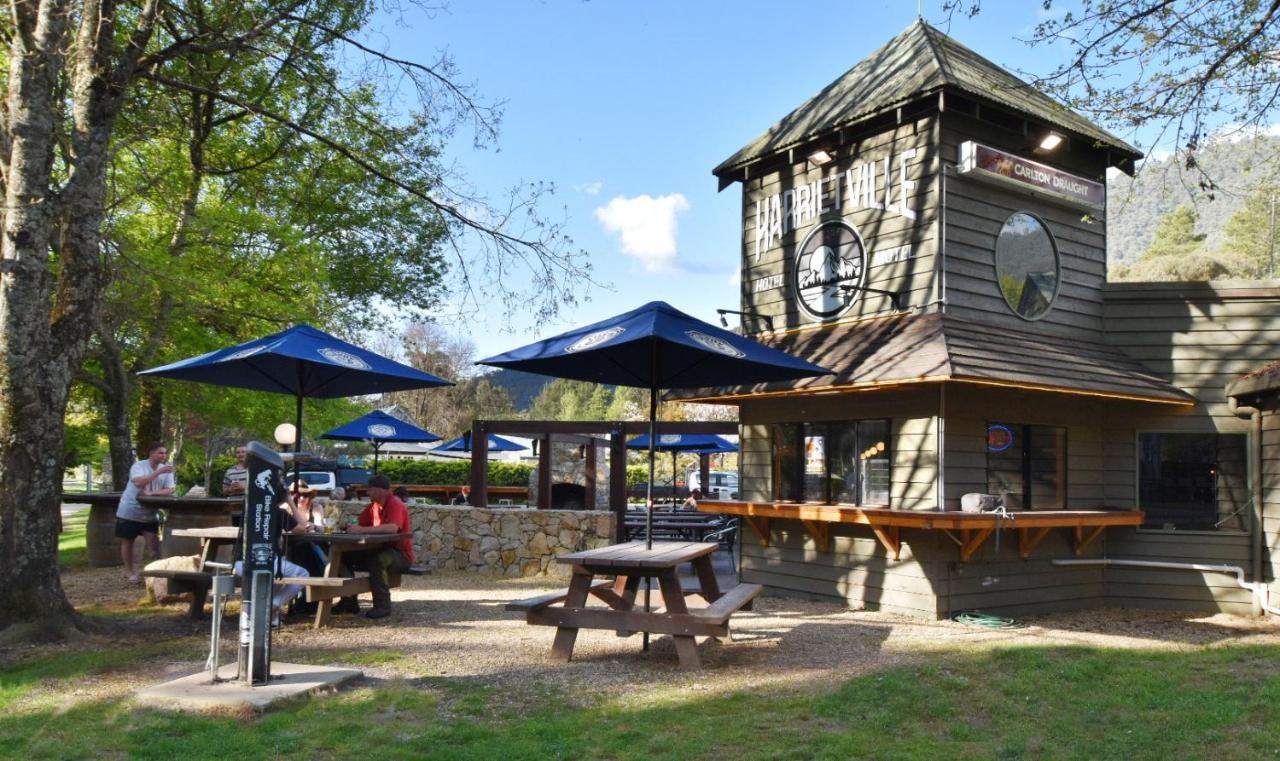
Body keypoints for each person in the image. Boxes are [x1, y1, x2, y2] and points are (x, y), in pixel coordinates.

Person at [335, 474, 413, 619]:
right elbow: (360, 524)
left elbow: (392, 528)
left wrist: (361, 530)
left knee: (378, 560)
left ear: (379, 490)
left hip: (400, 555)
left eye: (370, 490)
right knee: (342, 557)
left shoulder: (395, 503)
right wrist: (349, 527)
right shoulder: (374, 506)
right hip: (377, 549)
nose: (367, 493)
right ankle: (349, 601)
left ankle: (382, 606)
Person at [115, 443, 176, 584]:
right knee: (128, 542)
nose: (163, 456)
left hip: (150, 512)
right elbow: (138, 483)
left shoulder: (167, 470)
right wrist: (158, 473)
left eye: (165, 453)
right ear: (151, 453)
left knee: (154, 543)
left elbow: (170, 489)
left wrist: (153, 493)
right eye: (160, 453)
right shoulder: (138, 466)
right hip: (130, 510)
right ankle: (130, 572)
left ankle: (158, 573)